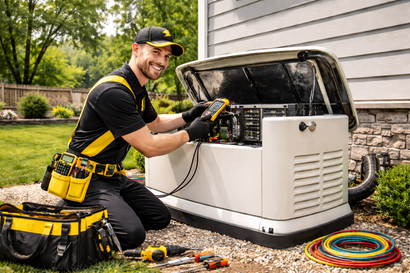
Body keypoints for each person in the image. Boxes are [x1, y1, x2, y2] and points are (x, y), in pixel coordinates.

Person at [57, 26, 216, 249]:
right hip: (86, 177)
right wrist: (191, 133)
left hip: (112, 176)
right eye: (156, 52)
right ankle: (73, 204)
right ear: (136, 50)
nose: (162, 61)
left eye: (167, 56)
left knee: (159, 218)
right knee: (132, 235)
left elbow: (155, 123)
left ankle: (109, 206)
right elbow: (149, 147)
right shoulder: (114, 92)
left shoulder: (136, 89)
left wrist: (188, 115)